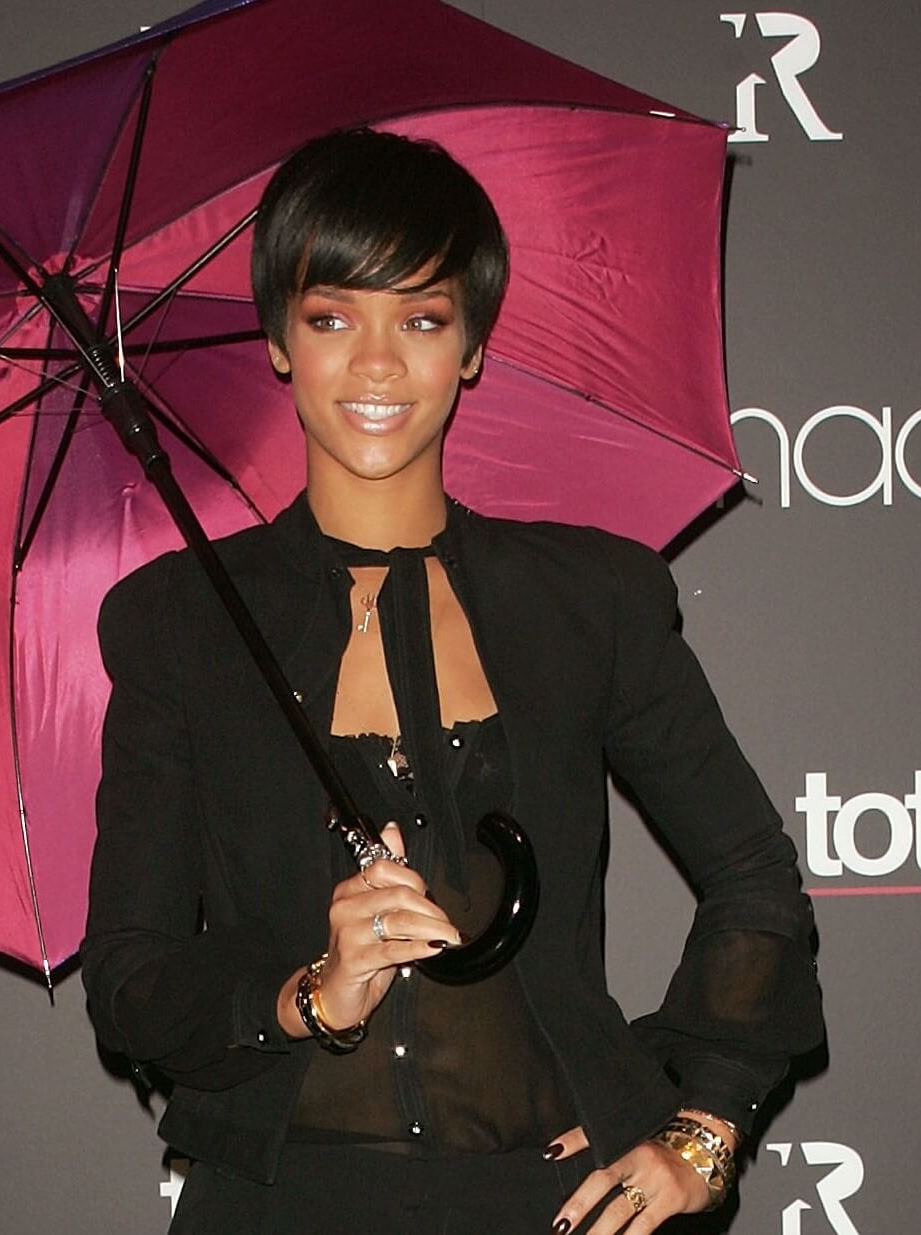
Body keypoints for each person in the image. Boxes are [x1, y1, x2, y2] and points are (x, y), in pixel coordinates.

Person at [81, 128, 823, 1235]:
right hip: (273, 1209)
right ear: (279, 340)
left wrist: (702, 1125)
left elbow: (753, 875)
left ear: (470, 345)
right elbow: (130, 977)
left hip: (543, 1203)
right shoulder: (179, 621)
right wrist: (307, 994)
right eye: (332, 317)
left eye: (421, 320)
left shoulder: (589, 599)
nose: (376, 365)